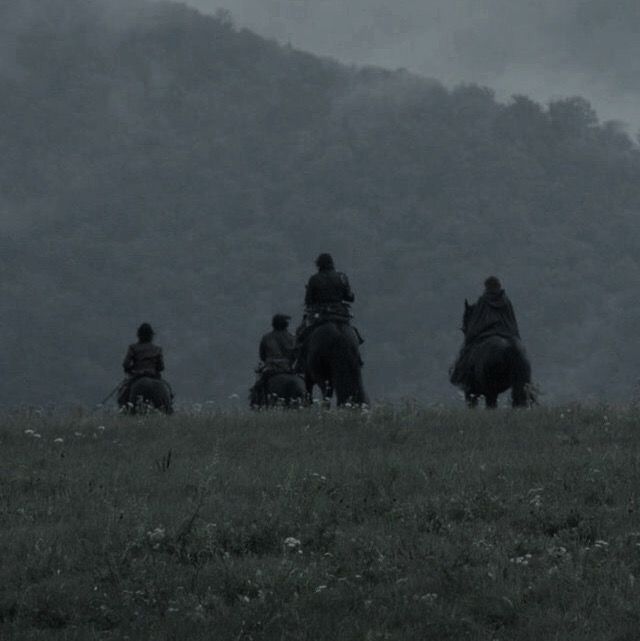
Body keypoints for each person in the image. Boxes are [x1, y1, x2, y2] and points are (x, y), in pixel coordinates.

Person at [450, 276, 523, 387]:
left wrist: (471, 334)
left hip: (487, 333)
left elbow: (476, 322)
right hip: (507, 333)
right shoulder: (506, 301)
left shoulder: (483, 300)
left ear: (486, 287)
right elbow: (511, 321)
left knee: (467, 352)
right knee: (520, 352)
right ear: (499, 286)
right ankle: (526, 383)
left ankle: (461, 375)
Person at [251, 314, 296, 404]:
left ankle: (257, 403)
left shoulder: (266, 337)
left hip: (271, 368)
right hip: (288, 368)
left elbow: (262, 356)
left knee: (258, 386)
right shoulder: (292, 338)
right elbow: (295, 355)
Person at [118, 323, 164, 407]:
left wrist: (131, 369)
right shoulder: (157, 349)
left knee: (123, 394)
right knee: (167, 390)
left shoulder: (133, 348)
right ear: (151, 335)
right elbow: (161, 367)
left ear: (138, 335)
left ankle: (123, 409)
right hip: (153, 375)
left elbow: (125, 364)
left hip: (137, 376)